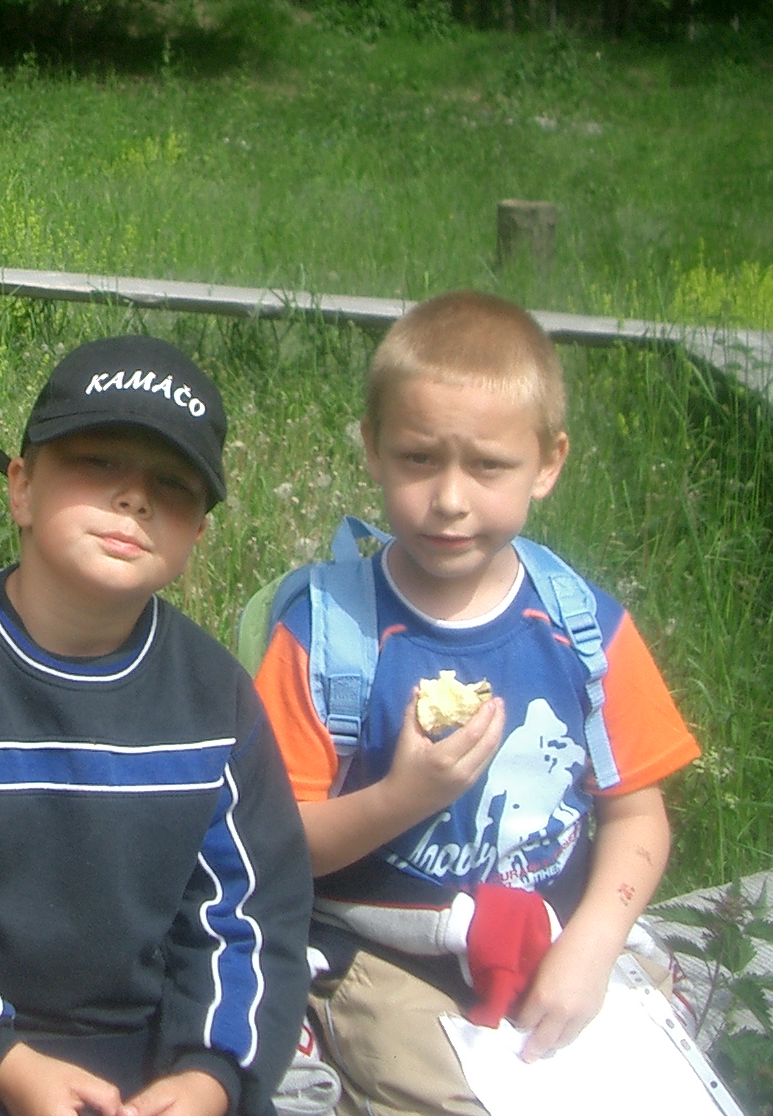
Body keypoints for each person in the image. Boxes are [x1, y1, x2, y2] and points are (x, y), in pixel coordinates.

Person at [0, 337, 313, 1116]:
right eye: (99, 463)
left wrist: (210, 1076)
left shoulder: (219, 705)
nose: (134, 499)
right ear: (22, 489)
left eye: (172, 485)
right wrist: (5, 1065)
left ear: (196, 539)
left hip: (157, 1057)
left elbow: (250, 916)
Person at [251, 291, 700, 1116]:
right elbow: (269, 843)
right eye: (419, 458)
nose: (450, 498)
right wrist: (403, 799)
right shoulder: (327, 636)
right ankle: (304, 1028)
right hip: (384, 950)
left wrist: (593, 945)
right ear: (373, 450)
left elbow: (638, 815)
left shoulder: (583, 630)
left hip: (550, 934)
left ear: (548, 464)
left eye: (489, 466)